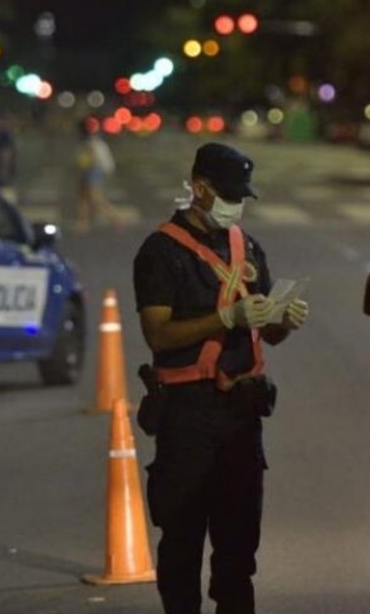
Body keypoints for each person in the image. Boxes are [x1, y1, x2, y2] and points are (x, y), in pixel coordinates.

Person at [132, 142, 309, 614]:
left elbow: (267, 333)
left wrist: (281, 321)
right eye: (229, 195)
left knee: (238, 546)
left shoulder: (245, 246)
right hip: (187, 413)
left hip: (242, 412)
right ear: (201, 188)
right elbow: (158, 333)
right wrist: (226, 318)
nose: (237, 206)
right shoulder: (162, 252)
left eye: (242, 197)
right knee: (183, 539)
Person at [73, 118, 124, 231]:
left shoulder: (91, 141)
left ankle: (116, 218)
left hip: (93, 171)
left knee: (95, 199)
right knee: (82, 198)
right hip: (92, 171)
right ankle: (82, 223)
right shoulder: (93, 140)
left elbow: (89, 158)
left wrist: (80, 168)